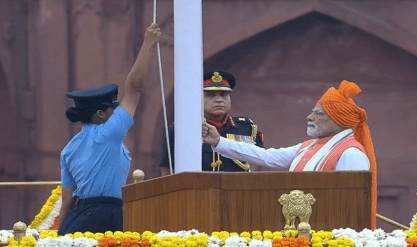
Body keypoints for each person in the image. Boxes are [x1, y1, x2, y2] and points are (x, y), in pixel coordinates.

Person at [202, 80, 378, 228]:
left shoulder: (350, 153)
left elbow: (350, 206)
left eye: (318, 114)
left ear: (339, 120)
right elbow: (266, 157)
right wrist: (219, 141)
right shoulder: (307, 147)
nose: (310, 117)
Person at [57, 23, 161, 235]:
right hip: (106, 215)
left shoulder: (69, 149)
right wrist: (148, 44)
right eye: (113, 108)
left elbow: (67, 200)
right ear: (101, 114)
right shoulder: (108, 133)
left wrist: (59, 236)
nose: (119, 111)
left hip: (77, 219)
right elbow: (134, 89)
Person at [159, 70, 265, 175]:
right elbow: (168, 169)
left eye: (224, 95)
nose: (219, 100)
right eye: (210, 95)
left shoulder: (246, 127)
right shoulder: (182, 130)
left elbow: (258, 162)